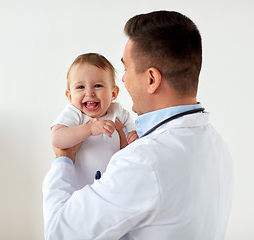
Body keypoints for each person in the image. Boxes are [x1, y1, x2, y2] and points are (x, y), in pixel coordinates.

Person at [43, 10, 234, 240]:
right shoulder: (217, 145)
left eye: (125, 69)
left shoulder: (143, 161)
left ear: (151, 79)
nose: (122, 80)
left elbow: (59, 233)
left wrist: (63, 158)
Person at [50, 53, 138, 189]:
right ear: (69, 95)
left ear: (113, 93)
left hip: (114, 188)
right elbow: (57, 139)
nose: (89, 93)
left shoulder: (118, 112)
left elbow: (134, 140)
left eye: (97, 85)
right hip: (80, 191)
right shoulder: (75, 114)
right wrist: (89, 129)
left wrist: (134, 137)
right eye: (80, 87)